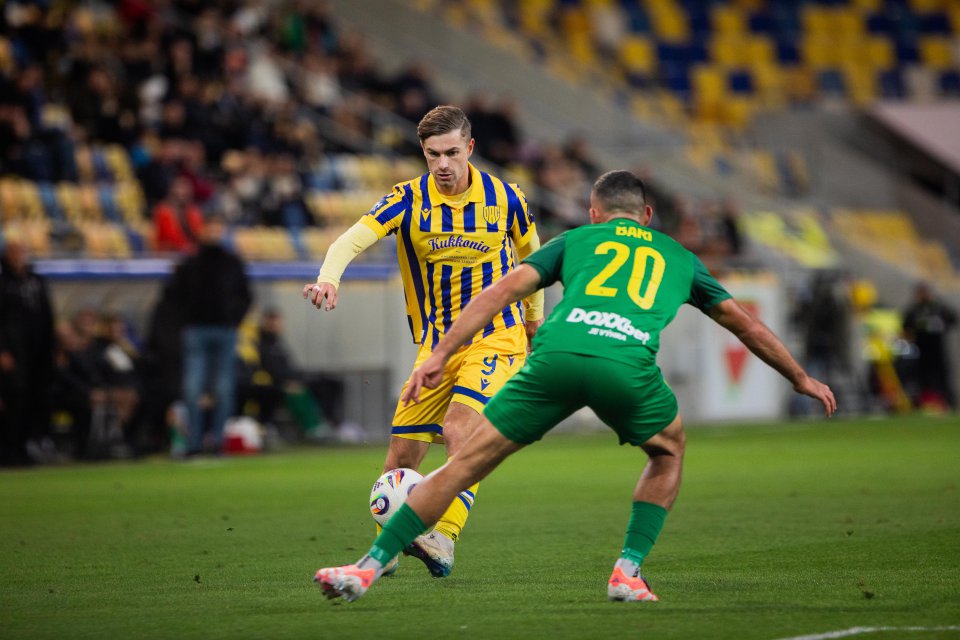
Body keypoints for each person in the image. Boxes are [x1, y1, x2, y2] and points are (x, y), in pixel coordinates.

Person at [313, 170, 836, 603]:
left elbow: (499, 292)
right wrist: (801, 377)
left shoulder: (575, 240)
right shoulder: (681, 257)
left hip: (555, 357)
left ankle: (366, 568)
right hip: (624, 364)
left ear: (594, 213)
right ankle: (627, 571)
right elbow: (746, 325)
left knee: (464, 463)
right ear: (647, 215)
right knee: (668, 451)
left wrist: (441, 353)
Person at [303, 105, 544, 577]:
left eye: (452, 152)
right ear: (423, 152)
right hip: (438, 345)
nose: (443, 164)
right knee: (401, 456)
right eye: (433, 154)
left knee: (460, 431)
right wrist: (329, 278)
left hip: (497, 335)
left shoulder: (506, 197)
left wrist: (534, 319)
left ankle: (444, 538)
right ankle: (384, 552)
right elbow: (349, 240)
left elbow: (532, 257)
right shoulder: (407, 199)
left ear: (470, 147)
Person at [168, 214, 252, 456]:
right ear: (202, 230)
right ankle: (193, 443)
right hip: (196, 330)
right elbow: (175, 297)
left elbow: (246, 296)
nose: (214, 234)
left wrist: (234, 320)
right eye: (211, 229)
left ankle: (217, 441)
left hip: (225, 330)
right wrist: (185, 322)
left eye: (218, 229)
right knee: (193, 388)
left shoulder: (232, 262)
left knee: (223, 389)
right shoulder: (190, 263)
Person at [0, 240, 56, 466]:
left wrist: (53, 348)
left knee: (37, 398)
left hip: (38, 351)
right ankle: (10, 449)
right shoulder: (4, 283)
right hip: (14, 351)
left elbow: (48, 315)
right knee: (15, 400)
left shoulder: (36, 280)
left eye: (23, 251)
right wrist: (3, 349)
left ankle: (29, 445)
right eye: (15, 252)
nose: (19, 256)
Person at [902, 282, 957, 410]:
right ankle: (926, 402)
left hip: (938, 347)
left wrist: (941, 325)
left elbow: (952, 319)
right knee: (923, 375)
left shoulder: (939, 307)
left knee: (942, 374)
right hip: (921, 348)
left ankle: (947, 402)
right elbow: (906, 325)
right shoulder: (914, 309)